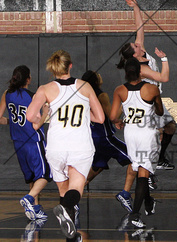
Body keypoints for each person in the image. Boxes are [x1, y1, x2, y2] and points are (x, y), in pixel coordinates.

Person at [26, 50, 105, 242]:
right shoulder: (85, 86)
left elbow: (30, 116)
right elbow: (101, 118)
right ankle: (65, 212)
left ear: (53, 69)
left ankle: (70, 234)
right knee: (75, 189)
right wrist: (87, 117)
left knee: (63, 190)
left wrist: (45, 113)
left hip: (56, 146)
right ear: (70, 66)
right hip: (80, 146)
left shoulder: (45, 89)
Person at [117, 0, 176, 190]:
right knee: (153, 139)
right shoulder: (141, 68)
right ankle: (149, 172)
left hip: (151, 98)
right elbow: (163, 78)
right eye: (136, 46)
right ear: (134, 55)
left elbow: (139, 27)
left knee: (169, 128)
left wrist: (136, 7)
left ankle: (155, 162)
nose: (138, 44)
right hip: (146, 103)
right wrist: (165, 59)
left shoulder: (140, 51)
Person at [110, 57, 163, 229]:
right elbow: (160, 112)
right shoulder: (152, 89)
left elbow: (112, 117)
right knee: (144, 171)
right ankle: (135, 214)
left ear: (126, 73)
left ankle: (148, 203)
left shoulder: (119, 90)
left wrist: (118, 121)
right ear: (140, 72)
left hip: (130, 133)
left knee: (141, 168)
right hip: (145, 132)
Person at [0, 65, 52, 221]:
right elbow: (36, 122)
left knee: (31, 176)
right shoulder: (33, 96)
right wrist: (45, 114)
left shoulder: (7, 94)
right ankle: (29, 198)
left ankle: (34, 208)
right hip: (33, 140)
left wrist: (13, 122)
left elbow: (0, 118)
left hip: (18, 141)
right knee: (45, 173)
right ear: (28, 79)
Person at [81, 70, 136, 212]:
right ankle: (125, 193)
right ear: (95, 79)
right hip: (104, 137)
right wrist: (124, 106)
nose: (100, 76)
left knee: (96, 168)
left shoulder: (82, 95)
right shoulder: (101, 95)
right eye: (98, 75)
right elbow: (112, 116)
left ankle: (72, 197)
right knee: (135, 158)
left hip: (92, 137)